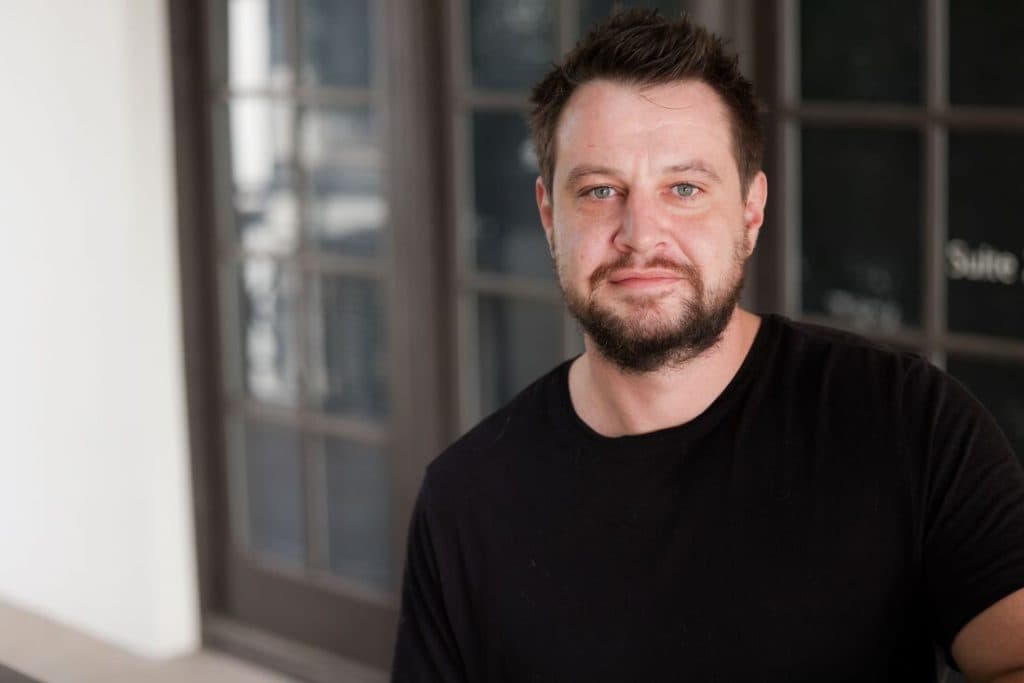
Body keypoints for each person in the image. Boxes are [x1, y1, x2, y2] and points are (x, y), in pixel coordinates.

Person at [390, 10, 1024, 682]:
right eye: (600, 190)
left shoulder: (906, 420)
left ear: (750, 210)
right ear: (550, 215)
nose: (641, 234)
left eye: (684, 189)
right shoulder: (465, 501)